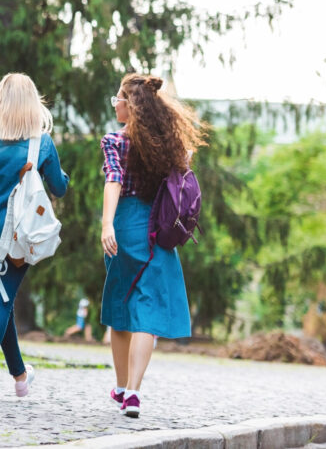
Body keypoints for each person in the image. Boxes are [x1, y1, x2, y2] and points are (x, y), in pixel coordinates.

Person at [100, 74, 205, 418]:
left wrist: (106, 224)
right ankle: (133, 391)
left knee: (120, 307)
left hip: (126, 226)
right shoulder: (169, 148)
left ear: (130, 106)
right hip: (159, 231)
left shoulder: (116, 141)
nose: (115, 104)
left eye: (117, 99)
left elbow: (113, 182)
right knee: (147, 311)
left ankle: (119, 385)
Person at [0, 73, 69, 404]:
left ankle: (21, 378)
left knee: (0, 301)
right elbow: (59, 188)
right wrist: (58, 173)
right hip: (18, 239)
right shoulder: (42, 143)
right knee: (1, 302)